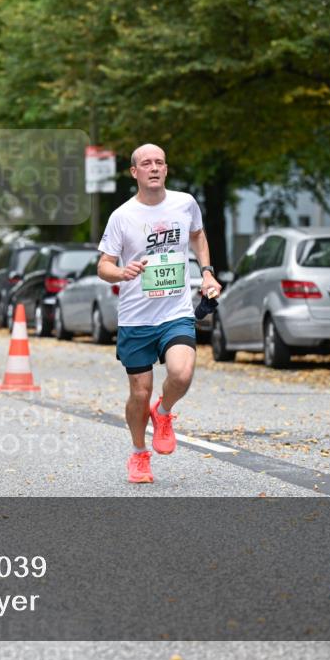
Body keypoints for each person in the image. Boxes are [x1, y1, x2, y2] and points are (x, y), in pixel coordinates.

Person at [97, 144, 222, 484]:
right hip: (136, 318)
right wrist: (121, 272)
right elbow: (103, 265)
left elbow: (197, 235)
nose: (153, 168)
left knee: (181, 374)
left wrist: (207, 272)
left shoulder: (185, 203)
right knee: (140, 392)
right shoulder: (122, 216)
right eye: (146, 163)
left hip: (175, 311)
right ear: (134, 172)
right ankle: (139, 454)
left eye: (159, 163)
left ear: (166, 169)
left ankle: (163, 412)